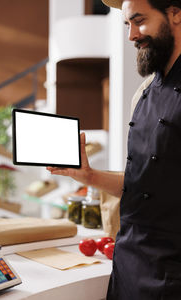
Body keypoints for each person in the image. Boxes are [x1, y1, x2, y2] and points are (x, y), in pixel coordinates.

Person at [47, 0, 181, 298]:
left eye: (139, 20)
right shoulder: (144, 92)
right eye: (127, 25)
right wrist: (90, 177)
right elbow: (145, 184)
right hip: (130, 261)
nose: (132, 35)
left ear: (175, 13)